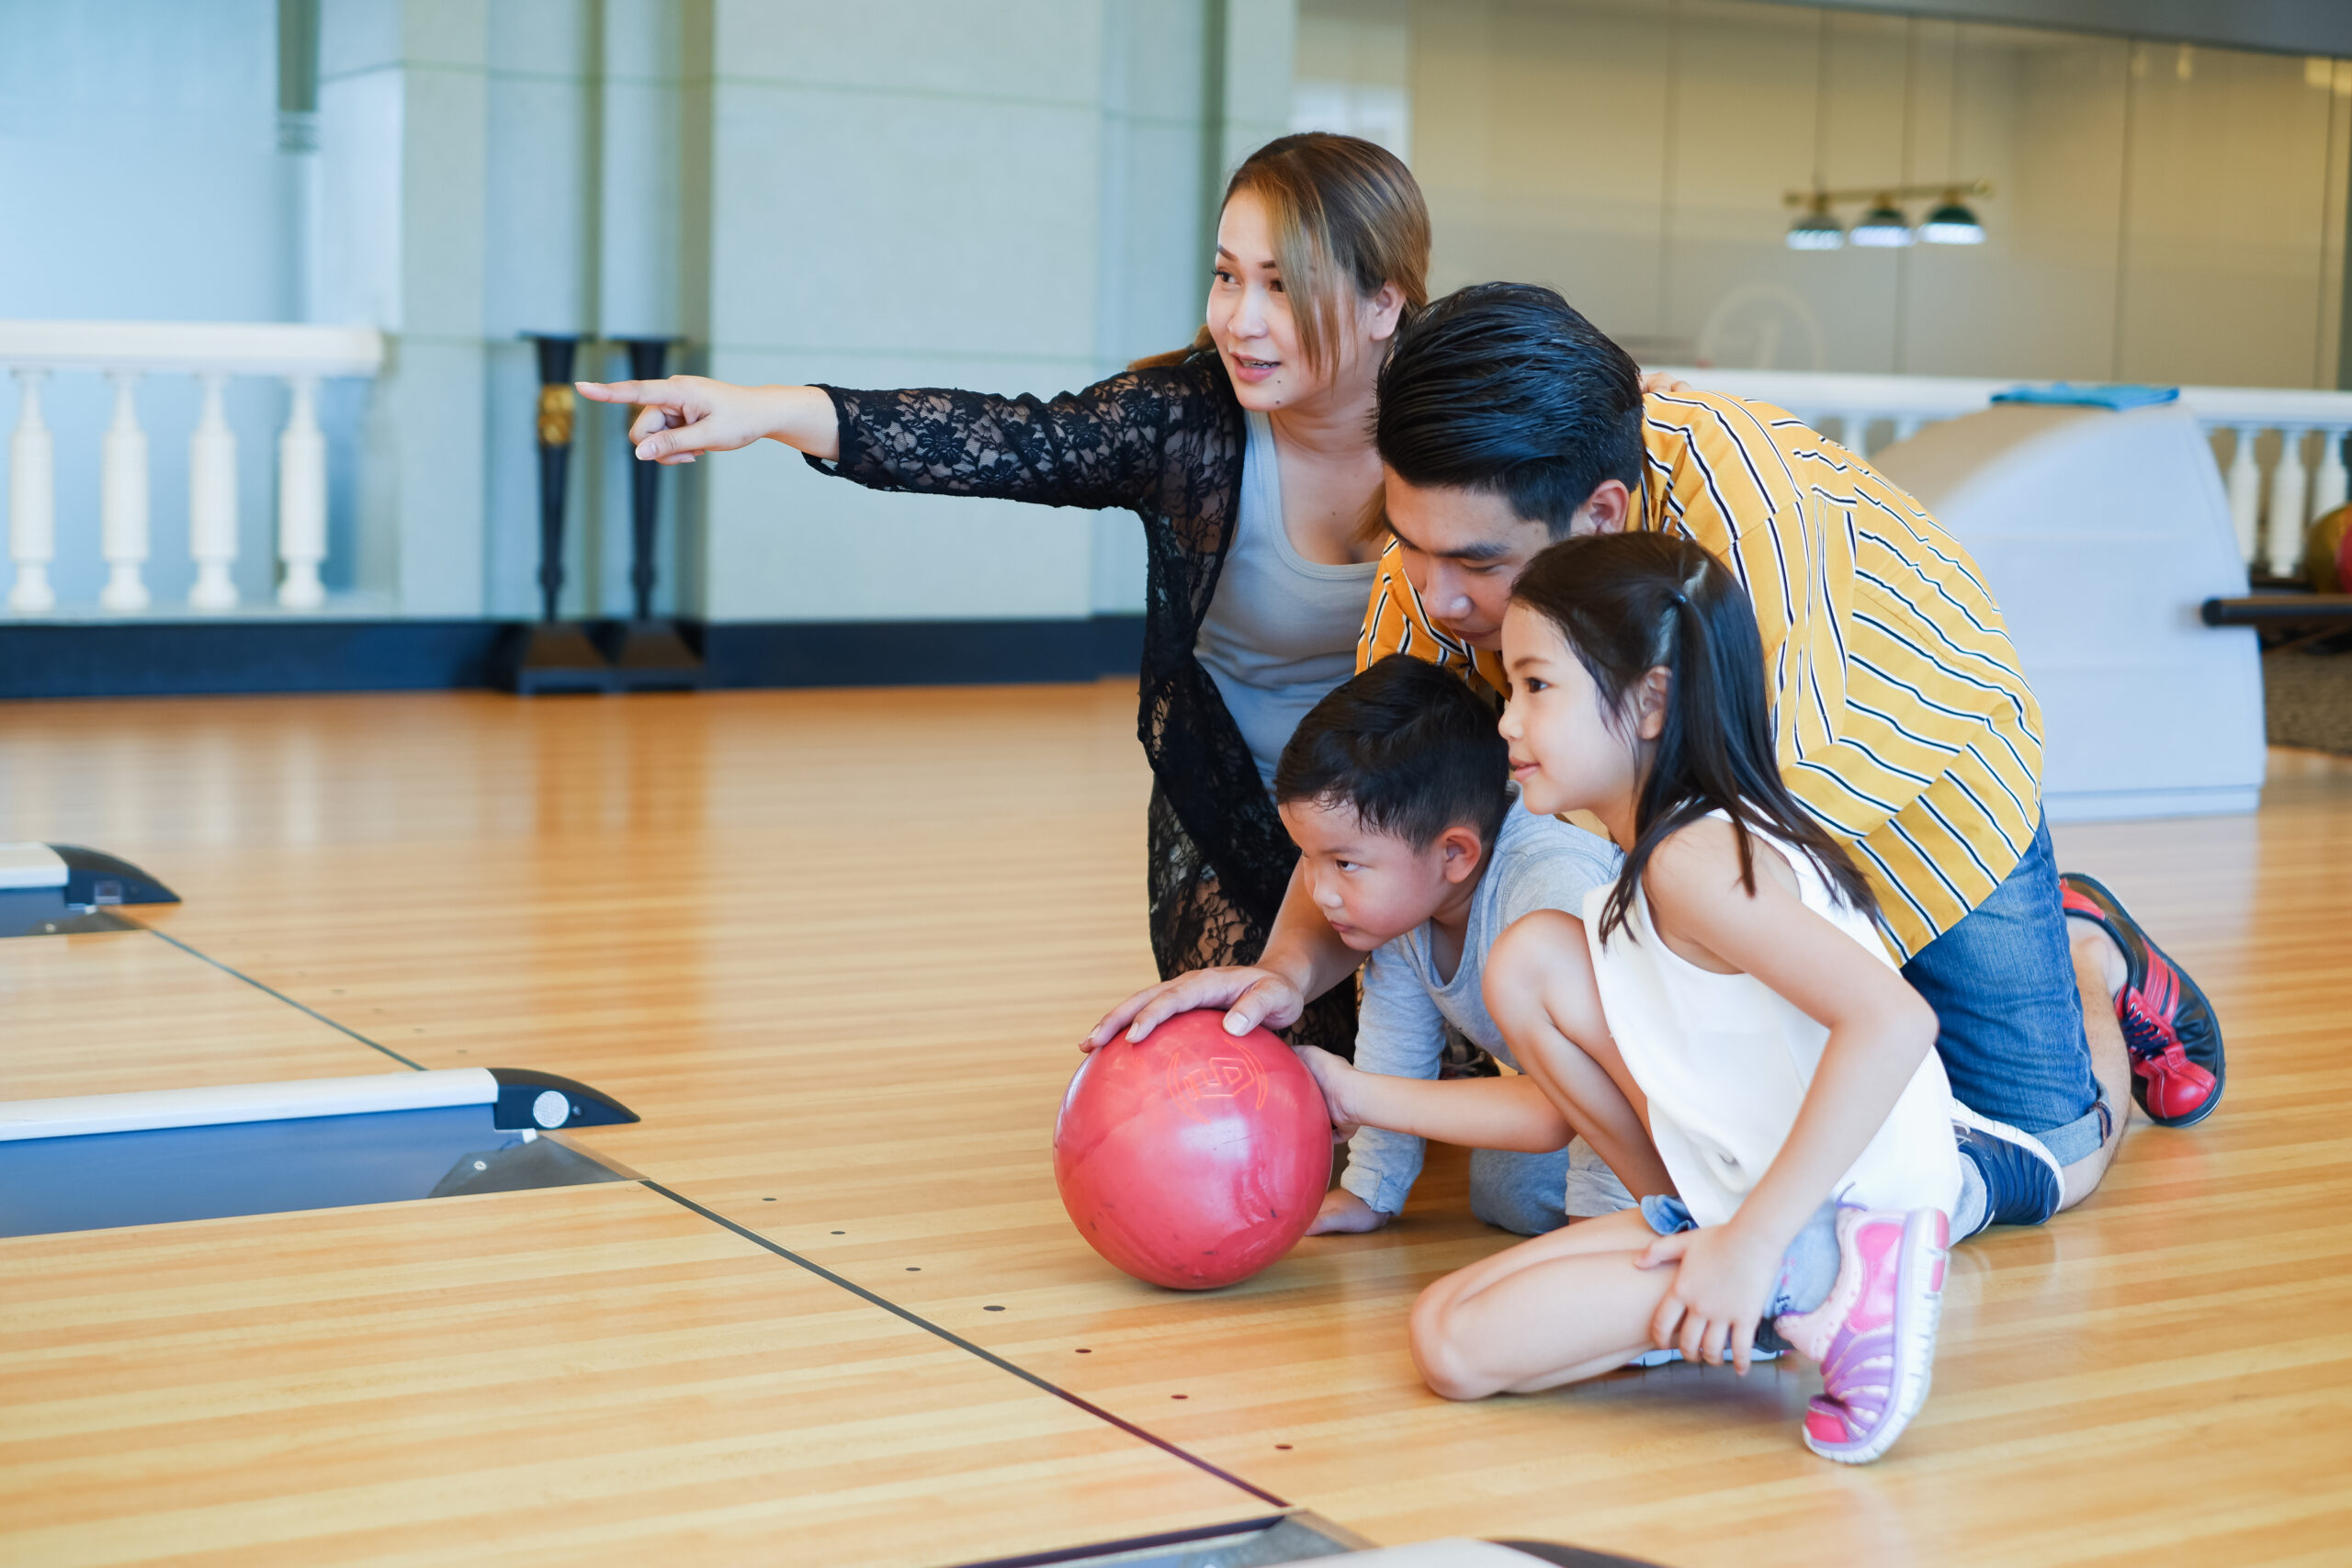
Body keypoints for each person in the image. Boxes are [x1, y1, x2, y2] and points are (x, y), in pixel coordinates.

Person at [1097, 283, 2222, 1219]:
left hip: (1918, 787)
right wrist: (1285, 976)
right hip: (1692, 852)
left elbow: (1752, 849)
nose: (1433, 597)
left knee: (2043, 1151)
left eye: (1475, 565)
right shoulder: (1442, 558)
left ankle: (2087, 959)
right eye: (1411, 544)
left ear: (1600, 513)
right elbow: (1379, 800)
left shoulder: (1746, 535)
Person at [579, 133, 1429, 1052]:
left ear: (1384, 303)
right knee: (1269, 1064)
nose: (1241, 319)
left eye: (1282, 285)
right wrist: (769, 411)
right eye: (1228, 277)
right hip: (1239, 814)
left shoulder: (1459, 432)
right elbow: (1006, 440)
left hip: (1409, 814)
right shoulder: (1184, 418)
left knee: (1438, 1073)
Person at [1295, 532, 1959, 1465]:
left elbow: (1895, 1020)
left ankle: (1819, 1291)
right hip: (1729, 1196)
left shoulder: (1690, 860)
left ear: (1649, 701)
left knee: (1452, 1347)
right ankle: (1719, 1264)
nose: (1506, 723)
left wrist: (1754, 1242)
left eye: (1535, 686)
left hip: (1823, 1213)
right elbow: (1549, 1097)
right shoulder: (1639, 874)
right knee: (1446, 1304)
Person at [1262, 653, 1632, 1235]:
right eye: (1309, 859)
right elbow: (1394, 1052)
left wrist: (1598, 1226)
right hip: (1580, 1108)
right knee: (1502, 1185)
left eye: (1345, 863)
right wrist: (1371, 1192)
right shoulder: (1411, 898)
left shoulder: (1553, 887)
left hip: (1691, 1105)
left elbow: (1618, 1082)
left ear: (1455, 853)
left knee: (1566, 1193)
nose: (1320, 893)